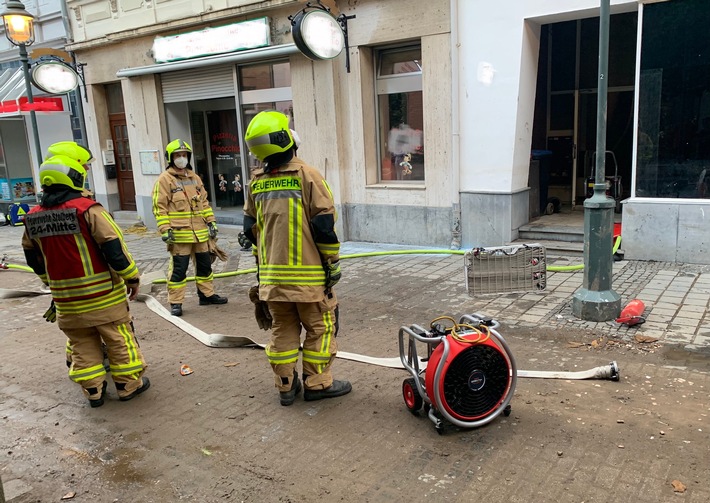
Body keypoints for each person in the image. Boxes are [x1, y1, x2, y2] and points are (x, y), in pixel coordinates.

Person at [21, 155, 150, 408]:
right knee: (118, 339)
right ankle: (127, 386)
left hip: (66, 300)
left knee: (81, 343)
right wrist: (132, 277)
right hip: (103, 296)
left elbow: (31, 255)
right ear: (74, 178)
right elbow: (114, 248)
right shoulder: (88, 210)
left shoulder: (32, 217)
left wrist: (48, 280)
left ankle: (93, 391)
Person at [243, 111, 351, 406]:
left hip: (272, 281)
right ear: (283, 139)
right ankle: (317, 384)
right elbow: (324, 226)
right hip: (309, 281)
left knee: (283, 330)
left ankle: (286, 386)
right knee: (320, 329)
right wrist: (332, 263)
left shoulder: (257, 181)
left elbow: (249, 230)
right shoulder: (307, 175)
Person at [152, 139, 228, 317]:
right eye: (178, 155)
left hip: (200, 233)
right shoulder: (164, 180)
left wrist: (212, 222)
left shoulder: (195, 178)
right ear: (171, 158)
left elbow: (205, 203)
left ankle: (206, 295)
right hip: (179, 235)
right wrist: (165, 229)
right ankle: (176, 302)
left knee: (205, 267)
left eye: (184, 155)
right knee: (179, 269)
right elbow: (159, 207)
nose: (181, 158)